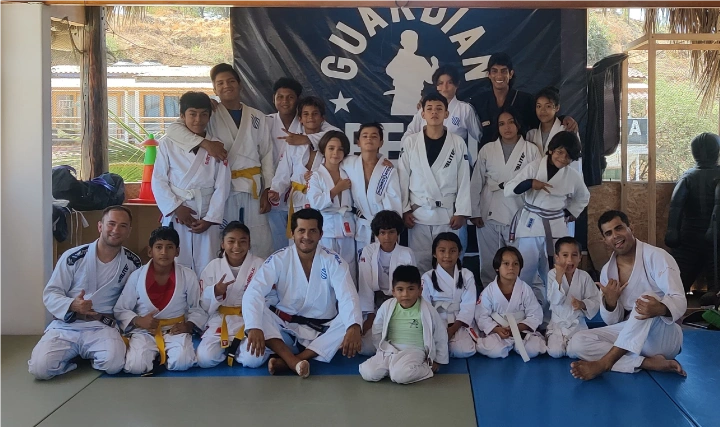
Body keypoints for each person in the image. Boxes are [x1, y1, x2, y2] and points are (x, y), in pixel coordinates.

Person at [165, 63, 274, 258]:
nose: (226, 86)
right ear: (214, 89)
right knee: (227, 241)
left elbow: (267, 154)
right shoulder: (210, 112)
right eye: (220, 83)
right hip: (223, 190)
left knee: (258, 239)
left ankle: (257, 283)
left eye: (231, 81)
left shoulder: (257, 116)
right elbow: (173, 130)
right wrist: (205, 143)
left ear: (240, 85)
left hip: (253, 188)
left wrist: (268, 188)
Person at [241, 208, 363, 378]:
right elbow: (254, 291)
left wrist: (354, 326)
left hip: (321, 331)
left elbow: (347, 295)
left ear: (321, 234)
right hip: (285, 329)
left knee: (350, 320)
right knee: (251, 355)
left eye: (312, 231)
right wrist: (254, 327)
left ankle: (291, 361)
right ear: (292, 233)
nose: (307, 236)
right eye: (301, 231)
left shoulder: (333, 261)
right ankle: (295, 361)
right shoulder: (278, 259)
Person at [568, 211, 687, 380]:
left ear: (631, 229)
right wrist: (610, 302)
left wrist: (660, 308)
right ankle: (645, 362)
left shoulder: (657, 257)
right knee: (577, 343)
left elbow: (680, 300)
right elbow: (613, 322)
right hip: (631, 340)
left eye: (619, 228)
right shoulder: (608, 272)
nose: (615, 236)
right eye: (608, 233)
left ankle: (605, 363)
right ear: (605, 240)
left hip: (663, 338)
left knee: (646, 299)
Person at [28, 206, 141, 380]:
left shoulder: (133, 263)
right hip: (68, 325)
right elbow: (51, 293)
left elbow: (135, 299)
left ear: (129, 231)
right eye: (111, 224)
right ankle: (76, 357)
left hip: (102, 326)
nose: (116, 230)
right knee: (39, 369)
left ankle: (85, 354)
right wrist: (72, 304)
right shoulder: (73, 257)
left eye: (123, 226)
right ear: (100, 226)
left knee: (114, 364)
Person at [504, 131, 590, 320]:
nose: (563, 158)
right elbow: (509, 189)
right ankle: (521, 314)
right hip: (531, 225)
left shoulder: (573, 175)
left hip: (557, 225)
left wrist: (569, 213)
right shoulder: (534, 167)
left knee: (553, 271)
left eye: (568, 156)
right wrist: (530, 183)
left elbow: (583, 197)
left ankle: (553, 316)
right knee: (524, 269)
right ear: (551, 150)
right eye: (559, 152)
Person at [152, 91, 231, 274]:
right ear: (182, 116)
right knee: (176, 262)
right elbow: (159, 180)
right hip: (178, 212)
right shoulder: (167, 144)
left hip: (205, 213)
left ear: (210, 116)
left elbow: (222, 186)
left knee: (208, 263)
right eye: (192, 114)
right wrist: (176, 207)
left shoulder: (217, 145)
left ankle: (205, 301)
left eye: (204, 114)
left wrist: (210, 219)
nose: (198, 120)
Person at [114, 226, 207, 374]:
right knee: (136, 367)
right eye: (159, 247)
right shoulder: (137, 276)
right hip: (145, 330)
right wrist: (138, 320)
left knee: (182, 362)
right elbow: (121, 309)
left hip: (175, 329)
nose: (164, 252)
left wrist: (188, 325)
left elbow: (196, 307)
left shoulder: (187, 275)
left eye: (170, 247)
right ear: (150, 251)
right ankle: (153, 355)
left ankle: (161, 355)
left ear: (177, 251)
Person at [399, 93, 472, 273]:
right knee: (421, 263)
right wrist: (405, 209)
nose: (434, 113)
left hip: (447, 214)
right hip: (418, 214)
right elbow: (403, 177)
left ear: (446, 114)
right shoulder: (410, 142)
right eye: (429, 109)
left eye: (439, 109)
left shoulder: (457, 142)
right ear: (422, 114)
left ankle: (452, 300)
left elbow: (464, 178)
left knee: (449, 264)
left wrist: (462, 211)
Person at [470, 108, 541, 287]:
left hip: (519, 215)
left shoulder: (531, 150)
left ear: (518, 124)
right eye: (501, 124)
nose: (507, 127)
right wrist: (475, 211)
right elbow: (476, 182)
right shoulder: (487, 149)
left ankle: (519, 299)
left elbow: (537, 183)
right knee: (489, 262)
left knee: (518, 264)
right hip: (489, 212)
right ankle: (489, 299)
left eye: (510, 122)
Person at [266, 78, 335, 251]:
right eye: (306, 114)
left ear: (322, 118)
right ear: (300, 118)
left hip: (321, 197)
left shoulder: (330, 139)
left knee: (322, 240)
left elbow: (338, 136)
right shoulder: (292, 144)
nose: (310, 118)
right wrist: (276, 189)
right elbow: (284, 170)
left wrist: (305, 139)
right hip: (297, 198)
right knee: (297, 243)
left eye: (315, 114)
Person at [196, 222, 276, 368]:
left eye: (242, 241)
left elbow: (272, 297)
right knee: (204, 359)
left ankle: (237, 350)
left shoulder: (260, 265)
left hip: (250, 320)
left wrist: (255, 314)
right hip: (221, 320)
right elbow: (203, 303)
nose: (237, 247)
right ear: (222, 244)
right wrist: (215, 292)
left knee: (253, 360)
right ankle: (234, 349)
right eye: (231, 241)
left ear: (249, 244)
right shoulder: (213, 267)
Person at [359, 265, 449, 384]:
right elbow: (377, 330)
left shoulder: (428, 310)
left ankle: (425, 368)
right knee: (368, 372)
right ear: (393, 291)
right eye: (400, 289)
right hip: (389, 349)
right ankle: (393, 367)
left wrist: (438, 360)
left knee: (400, 376)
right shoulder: (387, 306)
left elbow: (440, 335)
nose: (405, 294)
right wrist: (380, 348)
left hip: (414, 350)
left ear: (420, 290)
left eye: (411, 289)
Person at [472, 52, 577, 148]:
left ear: (511, 74)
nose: (499, 75)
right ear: (489, 75)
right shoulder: (478, 102)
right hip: (487, 160)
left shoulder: (525, 100)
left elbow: (544, 119)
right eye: (494, 71)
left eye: (504, 71)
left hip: (521, 160)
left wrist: (563, 119)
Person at [665, 132, 720, 305]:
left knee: (680, 279)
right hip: (708, 238)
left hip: (690, 237)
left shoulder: (688, 176)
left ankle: (714, 293)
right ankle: (714, 293)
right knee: (679, 280)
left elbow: (676, 205)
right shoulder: (690, 176)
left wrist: (672, 231)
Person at [357, 210, 416, 355]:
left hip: (399, 303)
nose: (387, 237)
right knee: (364, 348)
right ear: (376, 234)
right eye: (382, 233)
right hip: (375, 305)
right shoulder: (368, 252)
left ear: (398, 233)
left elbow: (411, 286)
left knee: (407, 339)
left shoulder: (407, 253)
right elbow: (365, 285)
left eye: (391, 232)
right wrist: (370, 316)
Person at [526, 87, 583, 237]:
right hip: (537, 197)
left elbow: (575, 166)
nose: (542, 111)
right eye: (539, 106)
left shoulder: (568, 130)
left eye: (548, 106)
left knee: (561, 248)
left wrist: (572, 209)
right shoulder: (531, 134)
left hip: (561, 197)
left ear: (557, 108)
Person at [475, 246, 546, 359]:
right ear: (497, 267)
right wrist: (496, 329)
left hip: (521, 330)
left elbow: (535, 314)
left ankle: (518, 344)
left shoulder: (525, 289)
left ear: (520, 267)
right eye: (506, 264)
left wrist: (519, 327)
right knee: (494, 350)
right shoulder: (489, 291)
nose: (511, 268)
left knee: (534, 349)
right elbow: (481, 316)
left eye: (515, 264)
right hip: (498, 332)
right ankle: (507, 345)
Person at [342, 123, 402, 251]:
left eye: (374, 136)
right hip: (361, 225)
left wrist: (391, 230)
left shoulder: (388, 170)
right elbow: (329, 166)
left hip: (384, 229)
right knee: (362, 267)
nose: (369, 139)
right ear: (358, 142)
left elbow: (394, 202)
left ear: (381, 142)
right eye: (365, 136)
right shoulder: (348, 163)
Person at [307, 131, 357, 279]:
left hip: (347, 225)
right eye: (331, 148)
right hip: (326, 227)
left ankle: (348, 301)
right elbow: (315, 203)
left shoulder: (349, 172)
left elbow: (367, 161)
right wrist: (337, 189)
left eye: (340, 149)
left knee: (349, 268)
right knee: (327, 269)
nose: (336, 153)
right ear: (323, 150)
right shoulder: (316, 176)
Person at [403, 65, 482, 157]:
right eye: (440, 83)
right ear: (436, 86)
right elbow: (409, 134)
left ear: (457, 85)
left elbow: (478, 136)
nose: (445, 87)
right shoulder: (425, 108)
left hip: (454, 160)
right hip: (424, 159)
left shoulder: (465, 109)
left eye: (450, 82)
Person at [421, 233, 478, 358]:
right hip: (437, 319)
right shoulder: (427, 277)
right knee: (427, 347)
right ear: (434, 253)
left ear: (459, 253)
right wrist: (439, 329)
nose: (447, 256)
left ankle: (447, 347)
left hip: (459, 320)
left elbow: (468, 306)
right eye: (442, 251)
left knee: (464, 351)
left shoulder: (467, 275)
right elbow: (425, 307)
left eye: (452, 251)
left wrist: (453, 329)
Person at [546, 237, 600, 358]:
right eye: (565, 255)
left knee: (574, 352)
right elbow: (554, 301)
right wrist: (559, 278)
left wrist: (582, 304)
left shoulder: (584, 276)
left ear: (580, 257)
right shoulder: (552, 274)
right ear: (557, 257)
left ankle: (573, 344)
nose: (570, 260)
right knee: (555, 352)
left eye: (574, 255)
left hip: (577, 325)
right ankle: (551, 336)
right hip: (558, 325)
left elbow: (596, 300)